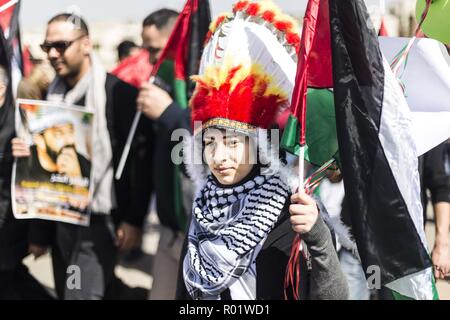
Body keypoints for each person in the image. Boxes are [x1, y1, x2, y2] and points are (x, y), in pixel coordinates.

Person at [175, 1, 348, 300]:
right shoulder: (204, 207)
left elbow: (334, 296)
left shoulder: (292, 211)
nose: (219, 157)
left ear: (258, 146)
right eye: (209, 143)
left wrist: (317, 237)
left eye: (232, 143)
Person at [11, 13, 153, 300]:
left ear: (86, 44)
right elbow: (44, 172)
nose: (52, 54)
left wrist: (134, 219)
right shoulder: (48, 98)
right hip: (61, 222)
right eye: (46, 46)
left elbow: (141, 161)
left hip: (101, 223)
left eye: (61, 45)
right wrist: (28, 152)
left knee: (81, 294)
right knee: (72, 291)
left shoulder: (118, 94)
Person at [138, 8, 195, 299]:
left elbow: (207, 149)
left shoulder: (203, 81)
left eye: (157, 50)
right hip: (167, 230)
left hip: (196, 233)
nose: (151, 59)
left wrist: (171, 114)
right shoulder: (161, 81)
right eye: (146, 49)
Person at [0, 62, 53, 299]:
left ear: (1, 89)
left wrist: (38, 235)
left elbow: (37, 180)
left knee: (9, 276)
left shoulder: (23, 123)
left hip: (13, 223)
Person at [419, 142, 450, 280]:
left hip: (403, 252)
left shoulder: (422, 126)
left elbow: (441, 187)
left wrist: (441, 245)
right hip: (354, 243)